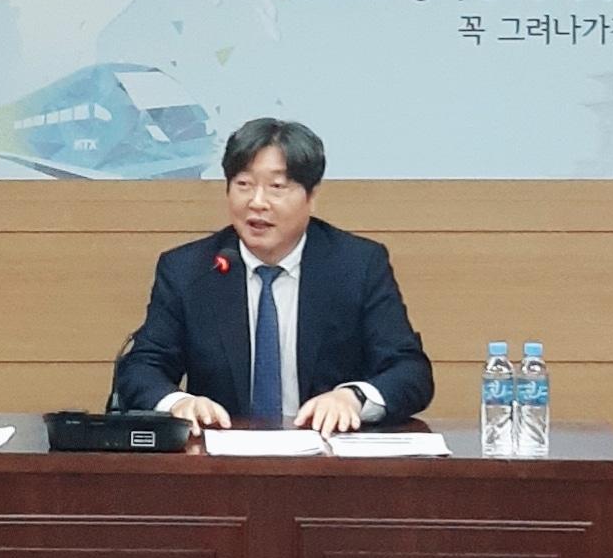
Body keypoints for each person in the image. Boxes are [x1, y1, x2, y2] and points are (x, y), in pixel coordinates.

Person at [116, 117, 434, 437]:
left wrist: (353, 398)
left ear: (311, 196)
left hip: (328, 455)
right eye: (243, 184)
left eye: (277, 187)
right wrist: (178, 403)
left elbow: (409, 370)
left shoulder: (357, 265)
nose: (257, 202)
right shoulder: (189, 269)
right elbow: (142, 368)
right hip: (221, 458)